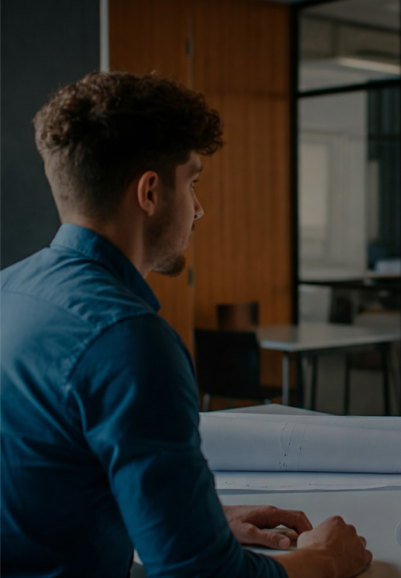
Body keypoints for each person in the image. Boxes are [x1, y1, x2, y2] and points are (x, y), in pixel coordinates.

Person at [0, 72, 372, 577]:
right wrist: (324, 558)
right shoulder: (128, 339)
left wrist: (199, 520)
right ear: (150, 192)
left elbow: (48, 489)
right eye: (192, 181)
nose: (199, 209)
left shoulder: (9, 290)